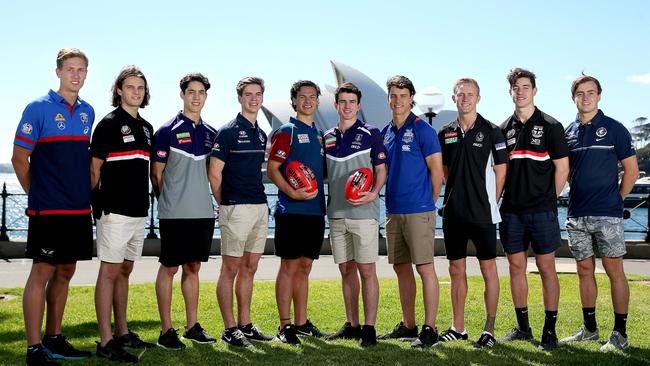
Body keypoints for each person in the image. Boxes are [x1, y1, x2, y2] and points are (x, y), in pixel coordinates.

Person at [12, 48, 94, 366]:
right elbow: (20, 158)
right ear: (57, 72)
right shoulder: (38, 108)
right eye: (70, 69)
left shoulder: (88, 111)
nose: (76, 75)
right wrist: (37, 194)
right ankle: (34, 349)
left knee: (67, 270)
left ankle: (54, 338)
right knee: (42, 270)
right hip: (48, 209)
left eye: (82, 70)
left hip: (77, 209)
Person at [560, 74, 639, 351]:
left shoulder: (615, 129)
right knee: (584, 270)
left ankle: (620, 333)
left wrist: (616, 199)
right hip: (576, 214)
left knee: (614, 270)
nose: (585, 97)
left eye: (590, 92)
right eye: (580, 93)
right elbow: (564, 172)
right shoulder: (567, 132)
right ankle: (590, 329)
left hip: (608, 214)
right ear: (573, 98)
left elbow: (632, 171)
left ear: (599, 95)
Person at [499, 68, 569, 351]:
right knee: (516, 268)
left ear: (534, 91)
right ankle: (523, 328)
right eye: (516, 87)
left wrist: (548, 199)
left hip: (542, 211)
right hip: (511, 211)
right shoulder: (503, 129)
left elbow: (562, 168)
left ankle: (549, 331)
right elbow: (499, 172)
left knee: (546, 267)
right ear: (510, 92)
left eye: (526, 87)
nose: (521, 92)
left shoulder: (552, 125)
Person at [90, 65, 155, 362]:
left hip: (139, 211)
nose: (136, 92)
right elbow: (94, 170)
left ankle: (122, 332)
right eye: (130, 87)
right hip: (114, 212)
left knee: (125, 271)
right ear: (119, 90)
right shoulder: (108, 124)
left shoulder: (146, 128)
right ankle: (105, 342)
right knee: (109, 272)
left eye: (140, 88)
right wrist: (95, 207)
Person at [438, 78, 507, 348]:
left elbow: (502, 172)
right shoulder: (445, 132)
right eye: (460, 94)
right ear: (453, 98)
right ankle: (459, 327)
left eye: (470, 94)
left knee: (489, 269)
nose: (465, 98)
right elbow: (444, 171)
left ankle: (489, 329)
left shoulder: (492, 131)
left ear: (478, 97)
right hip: (453, 214)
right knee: (456, 269)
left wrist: (490, 200)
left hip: (483, 214)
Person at [151, 73, 217, 350]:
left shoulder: (212, 134)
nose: (196, 96)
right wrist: (169, 201)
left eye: (201, 92)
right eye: (191, 91)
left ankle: (192, 327)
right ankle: (166, 331)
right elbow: (157, 175)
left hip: (203, 212)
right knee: (170, 268)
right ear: (182, 95)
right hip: (175, 214)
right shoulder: (166, 131)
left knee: (193, 267)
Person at [379, 75, 444, 348]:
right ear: (388, 98)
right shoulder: (385, 132)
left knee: (425, 268)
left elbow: (437, 171)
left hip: (419, 211)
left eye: (403, 96)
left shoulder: (422, 129)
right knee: (400, 267)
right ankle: (409, 325)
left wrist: (427, 203)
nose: (398, 101)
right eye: (393, 95)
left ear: (412, 99)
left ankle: (430, 329)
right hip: (394, 210)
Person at [209, 77, 272, 347]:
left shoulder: (261, 133)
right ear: (239, 98)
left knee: (250, 267)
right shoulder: (227, 132)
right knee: (230, 269)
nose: (254, 99)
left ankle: (245, 325)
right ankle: (229, 328)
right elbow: (214, 174)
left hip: (259, 206)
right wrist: (226, 204)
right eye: (248, 94)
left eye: (258, 94)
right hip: (235, 208)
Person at [323, 82, 387, 347]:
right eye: (343, 102)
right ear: (335, 105)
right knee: (346, 270)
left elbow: (381, 169)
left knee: (367, 270)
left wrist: (374, 193)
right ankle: (352, 324)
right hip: (336, 213)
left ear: (358, 106)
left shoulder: (371, 133)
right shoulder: (326, 136)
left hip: (363, 214)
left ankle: (369, 328)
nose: (347, 106)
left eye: (352, 102)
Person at [267, 80, 327, 345]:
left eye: (312, 97)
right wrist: (291, 193)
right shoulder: (286, 131)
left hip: (315, 211)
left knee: (305, 266)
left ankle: (301, 323)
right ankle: (285, 325)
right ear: (293, 101)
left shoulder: (320, 134)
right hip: (291, 210)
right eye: (302, 97)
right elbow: (273, 168)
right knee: (289, 266)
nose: (307, 101)